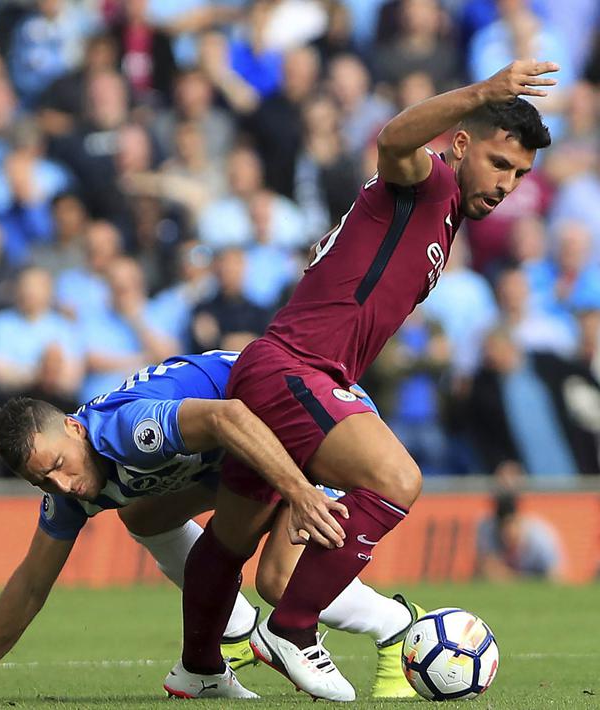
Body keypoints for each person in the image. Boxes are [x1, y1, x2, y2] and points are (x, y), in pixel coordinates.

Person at [178, 60, 555, 701]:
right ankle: (293, 630)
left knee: (231, 538)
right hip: (295, 370)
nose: (507, 184)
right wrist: (482, 92)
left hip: (285, 373)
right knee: (398, 479)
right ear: (461, 143)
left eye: (519, 174)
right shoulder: (430, 181)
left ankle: (196, 669)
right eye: (499, 163)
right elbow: (393, 140)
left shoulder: (446, 215)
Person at [0, 351, 423, 702]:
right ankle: (236, 629)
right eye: (44, 479)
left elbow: (231, 416)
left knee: (277, 581)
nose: (63, 484)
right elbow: (31, 584)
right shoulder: (69, 489)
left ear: (75, 428)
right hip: (239, 452)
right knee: (141, 512)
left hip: (300, 411)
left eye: (59, 463)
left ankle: (397, 628)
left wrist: (298, 491)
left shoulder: (128, 432)